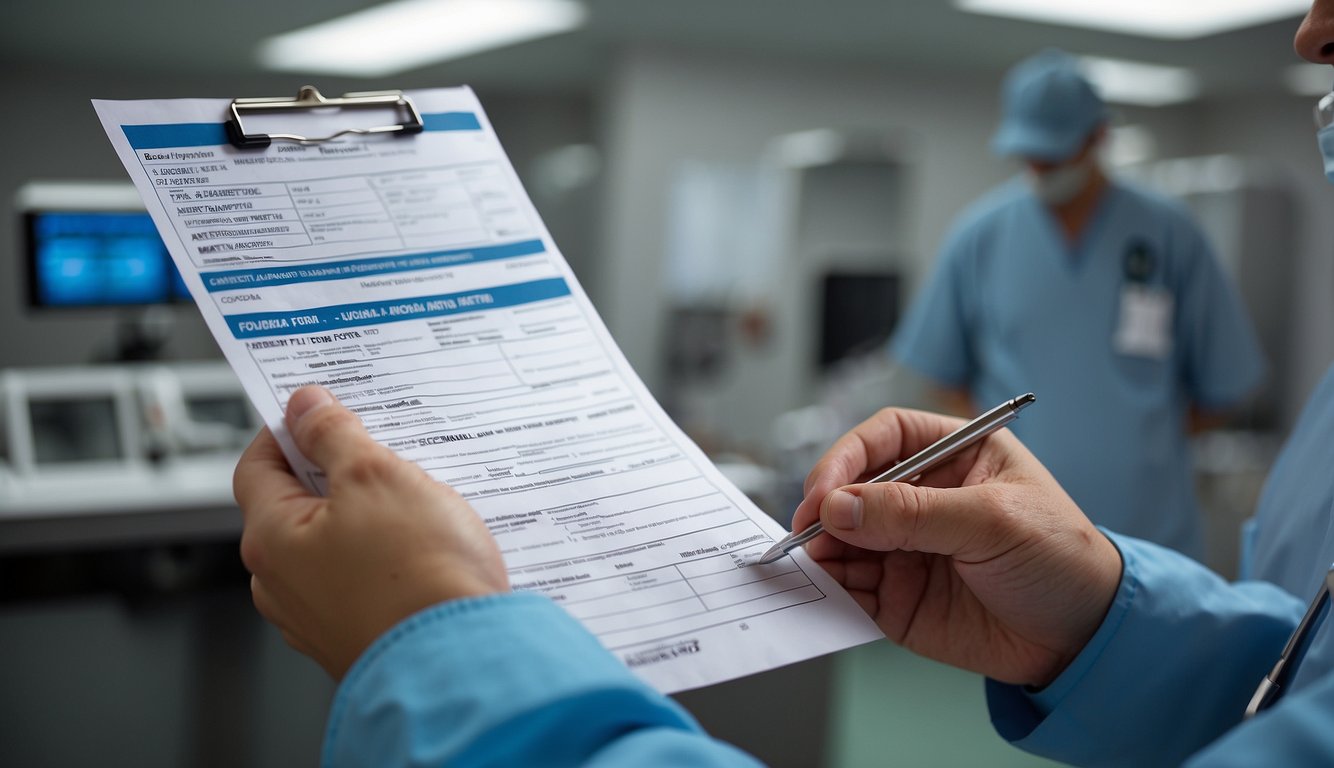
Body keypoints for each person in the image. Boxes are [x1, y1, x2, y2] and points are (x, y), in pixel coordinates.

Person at [236, 4, 1334, 764]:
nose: (1308, 30)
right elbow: (1299, 685)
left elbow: (1215, 390)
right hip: (1087, 572)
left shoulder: (1169, 237)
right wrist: (1103, 621)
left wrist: (443, 648)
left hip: (1154, 513)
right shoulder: (985, 237)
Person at [889, 48, 1266, 559]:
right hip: (1014, 524)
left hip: (1148, 533)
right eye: (1030, 156)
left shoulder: (1169, 234)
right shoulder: (980, 236)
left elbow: (1224, 385)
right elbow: (941, 376)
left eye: (1055, 155)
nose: (1040, 169)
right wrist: (1006, 450)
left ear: (1099, 138)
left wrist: (1136, 448)